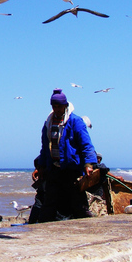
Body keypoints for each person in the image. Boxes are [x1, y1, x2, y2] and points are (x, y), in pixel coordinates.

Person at [37, 88, 97, 222]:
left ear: (65, 106)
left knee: (78, 205)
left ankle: (88, 228)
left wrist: (89, 164)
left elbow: (86, 144)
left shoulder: (75, 122)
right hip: (54, 169)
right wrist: (41, 165)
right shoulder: (48, 123)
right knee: (49, 204)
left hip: (71, 169)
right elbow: (45, 148)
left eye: (59, 106)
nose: (57, 109)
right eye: (54, 106)